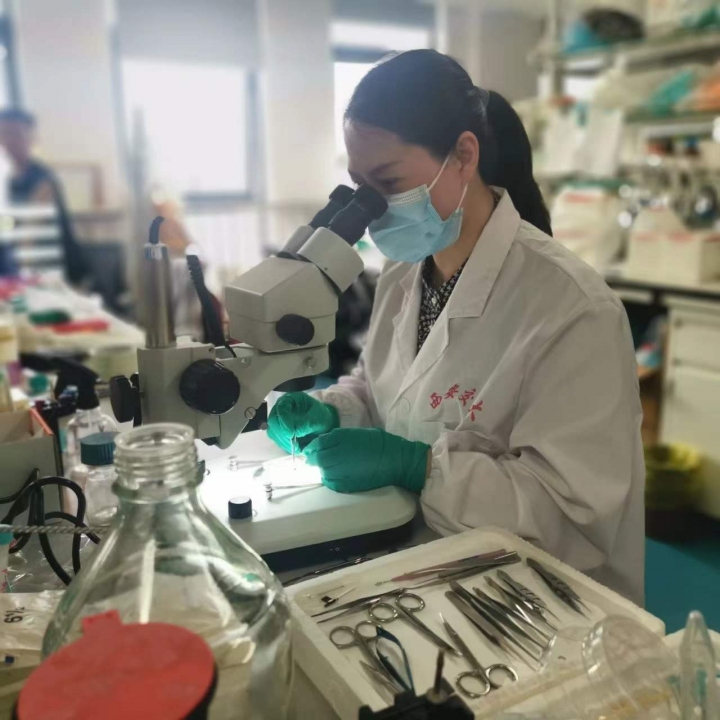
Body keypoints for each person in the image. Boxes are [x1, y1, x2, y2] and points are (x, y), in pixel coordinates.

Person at [267, 50, 644, 604]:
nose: (372, 209)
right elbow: (383, 388)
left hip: (539, 598)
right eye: (359, 186)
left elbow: (571, 513)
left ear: (464, 156)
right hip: (420, 566)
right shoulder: (404, 271)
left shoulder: (573, 308)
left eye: (387, 181)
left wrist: (420, 469)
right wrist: (334, 410)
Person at [0, 108, 86, 282]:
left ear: (31, 138)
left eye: (16, 134)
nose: (9, 141)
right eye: (4, 134)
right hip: (16, 270)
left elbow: (28, 234)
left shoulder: (43, 179)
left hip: (49, 271)